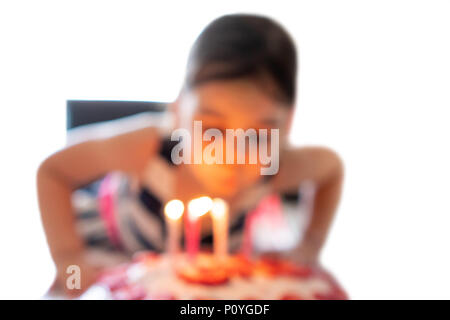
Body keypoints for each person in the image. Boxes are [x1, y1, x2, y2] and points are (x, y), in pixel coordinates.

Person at [37, 14, 344, 295]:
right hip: (112, 250)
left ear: (286, 125)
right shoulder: (150, 147)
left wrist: (309, 246)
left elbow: (331, 168)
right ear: (178, 107)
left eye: (257, 136)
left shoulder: (273, 166)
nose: (231, 154)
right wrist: (70, 260)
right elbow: (53, 170)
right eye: (212, 128)